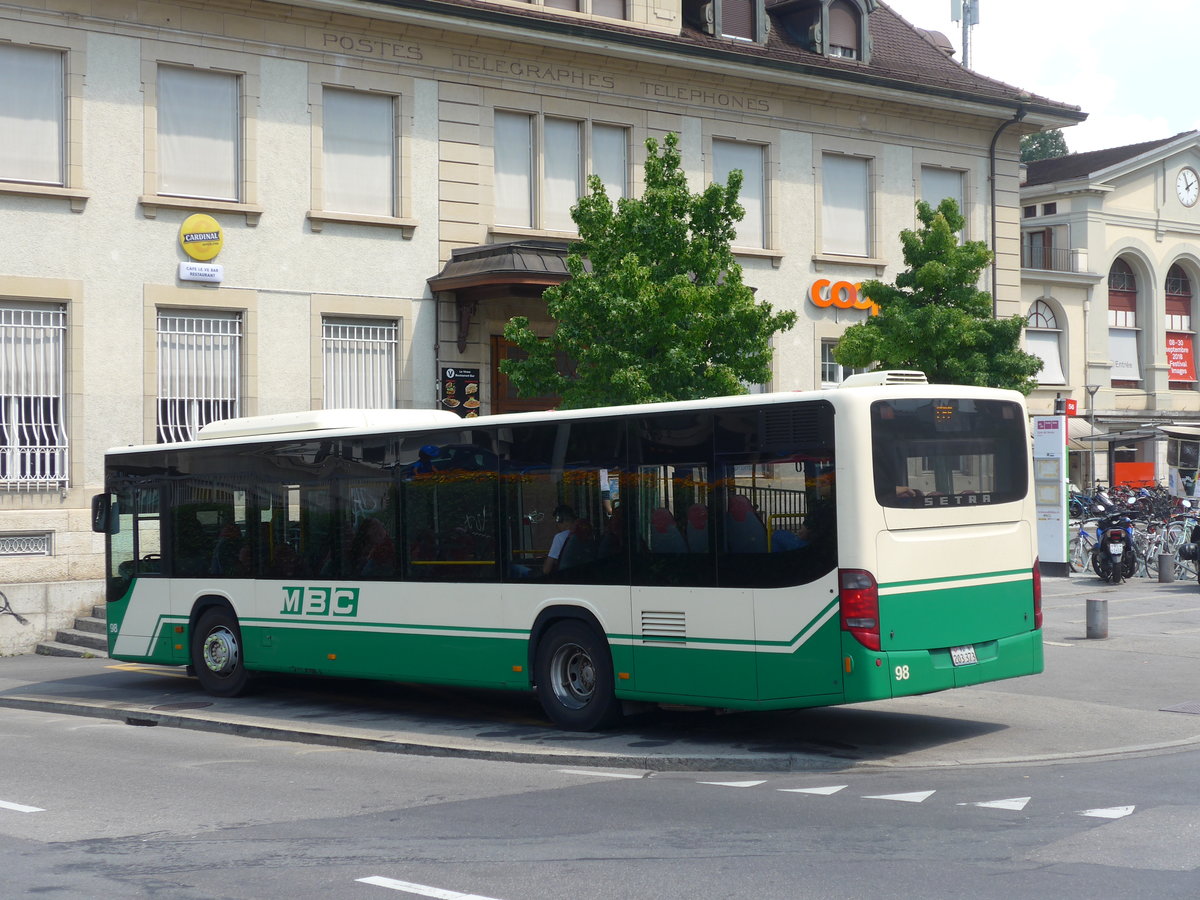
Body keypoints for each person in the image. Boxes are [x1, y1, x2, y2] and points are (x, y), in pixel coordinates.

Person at [544, 504, 591, 575]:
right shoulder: (587, 536)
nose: (556, 526)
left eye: (557, 523)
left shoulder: (559, 537)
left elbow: (546, 570)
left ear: (560, 520)